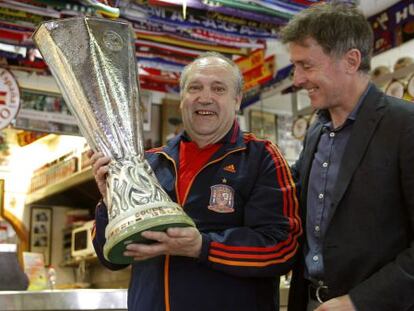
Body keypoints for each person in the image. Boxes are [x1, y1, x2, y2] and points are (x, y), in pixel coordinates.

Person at [90, 52, 302, 311]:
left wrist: (202, 246)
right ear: (182, 100)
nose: (205, 97)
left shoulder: (262, 157)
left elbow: (282, 247)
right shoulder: (147, 164)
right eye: (195, 88)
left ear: (237, 101)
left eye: (218, 88)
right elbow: (110, 258)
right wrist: (108, 199)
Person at [280, 2, 414, 311]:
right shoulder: (316, 132)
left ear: (351, 60)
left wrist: (358, 302)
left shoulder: (405, 126)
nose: (297, 79)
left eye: (307, 66)